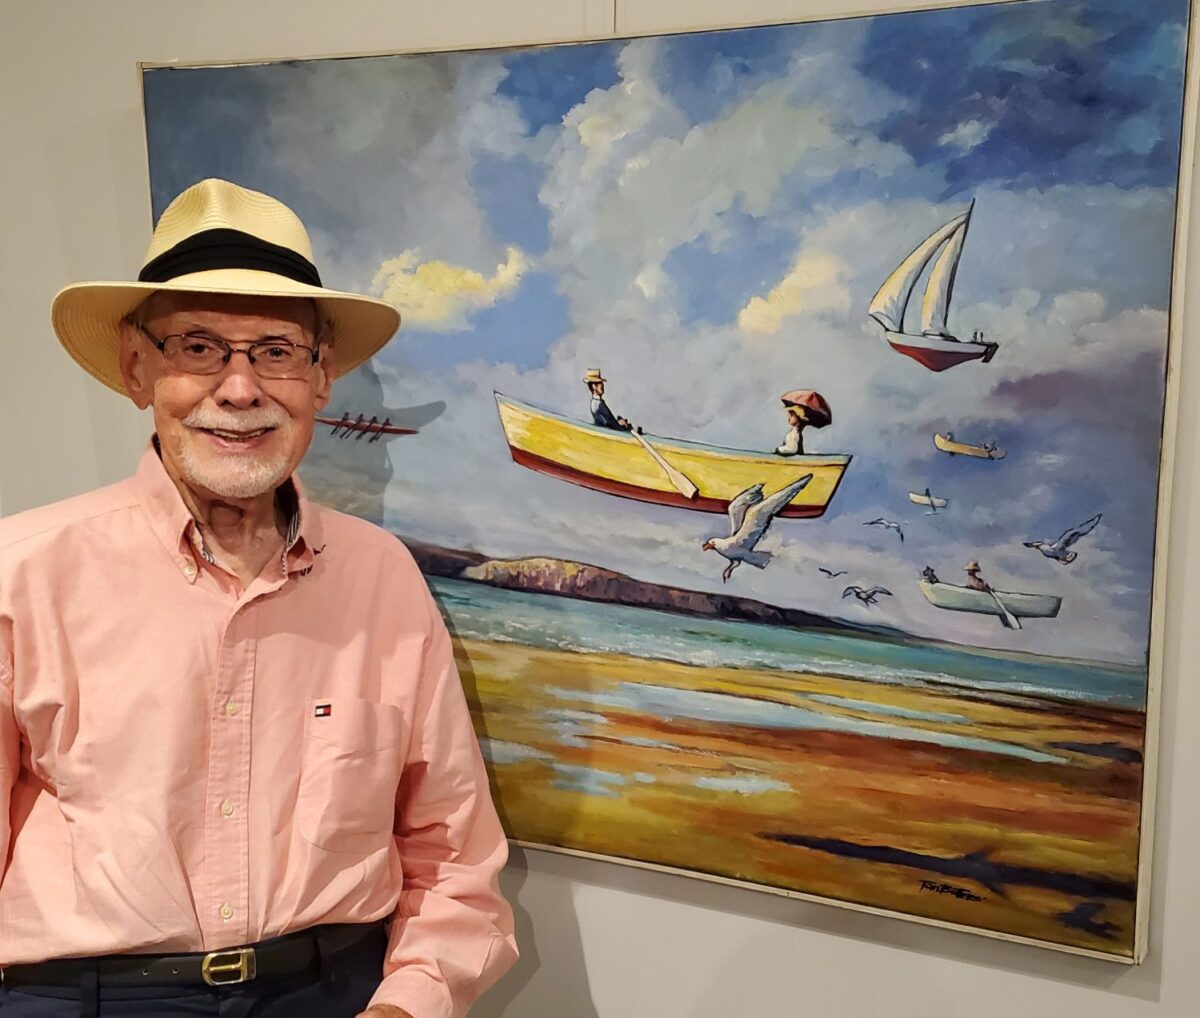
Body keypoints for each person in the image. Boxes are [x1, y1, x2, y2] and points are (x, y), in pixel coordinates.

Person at [0, 180, 516, 1017]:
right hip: (83, 998)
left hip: (337, 991)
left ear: (321, 377)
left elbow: (452, 855)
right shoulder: (21, 573)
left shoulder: (381, 576)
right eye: (198, 347)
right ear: (137, 368)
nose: (240, 390)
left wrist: (405, 1006)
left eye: (276, 351)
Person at [774, 389, 831, 456]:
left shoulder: (794, 434)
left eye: (791, 414)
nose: (788, 416)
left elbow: (792, 449)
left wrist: (779, 449)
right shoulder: (795, 433)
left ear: (799, 416)